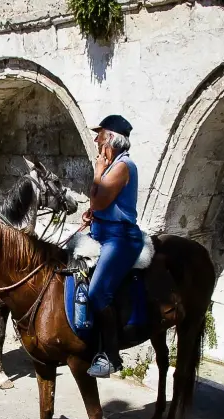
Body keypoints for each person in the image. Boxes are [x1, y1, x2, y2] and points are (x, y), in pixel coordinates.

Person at [82, 115, 147, 378]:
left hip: (119, 239)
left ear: (111, 138)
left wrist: (97, 171)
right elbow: (98, 202)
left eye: (100, 135)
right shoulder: (112, 166)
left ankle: (111, 356)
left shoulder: (122, 166)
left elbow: (99, 200)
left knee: (98, 293)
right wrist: (92, 213)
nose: (97, 141)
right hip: (102, 231)